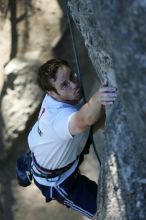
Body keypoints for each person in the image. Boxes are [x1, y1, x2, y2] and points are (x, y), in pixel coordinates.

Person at [28, 59, 117, 219]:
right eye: (64, 85)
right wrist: (98, 97)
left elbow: (92, 120)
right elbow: (84, 120)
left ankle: (28, 162)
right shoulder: (58, 118)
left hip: (53, 147)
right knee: (104, 213)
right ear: (52, 93)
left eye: (72, 76)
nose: (74, 84)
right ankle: (28, 166)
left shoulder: (66, 96)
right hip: (58, 180)